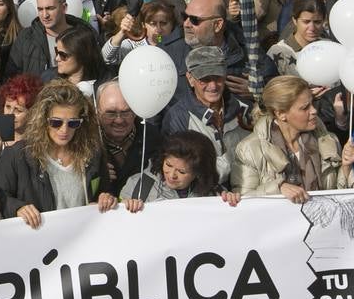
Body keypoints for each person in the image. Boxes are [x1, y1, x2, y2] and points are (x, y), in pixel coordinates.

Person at [0, 79, 119, 228]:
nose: (64, 130)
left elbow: (105, 191)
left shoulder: (93, 153)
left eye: (73, 123)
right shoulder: (16, 155)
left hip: (82, 241)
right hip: (38, 243)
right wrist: (17, 208)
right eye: (56, 122)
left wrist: (106, 198)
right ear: (43, 120)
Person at [233, 75, 354, 202]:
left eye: (312, 103)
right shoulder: (249, 149)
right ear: (281, 114)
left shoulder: (328, 140)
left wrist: (346, 167)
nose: (314, 111)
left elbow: (340, 197)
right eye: (305, 108)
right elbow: (243, 201)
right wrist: (278, 188)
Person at [160, 46, 250, 185]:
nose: (213, 86)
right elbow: (179, 169)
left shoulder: (243, 109)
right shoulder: (178, 117)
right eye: (205, 79)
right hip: (203, 197)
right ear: (190, 79)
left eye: (218, 78)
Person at [121, 132, 240, 207]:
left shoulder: (215, 193)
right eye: (168, 165)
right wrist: (125, 206)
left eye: (181, 172)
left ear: (198, 173)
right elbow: (118, 221)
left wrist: (232, 203)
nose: (172, 175)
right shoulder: (138, 185)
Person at [5, 0, 90, 79]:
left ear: (64, 8)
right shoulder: (25, 37)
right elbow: (11, 78)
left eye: (50, 8)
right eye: (40, 9)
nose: (45, 15)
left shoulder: (84, 36)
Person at [96, 79, 162, 196]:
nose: (119, 120)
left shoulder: (152, 137)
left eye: (126, 112)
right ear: (98, 112)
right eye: (111, 113)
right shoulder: (87, 142)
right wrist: (95, 173)